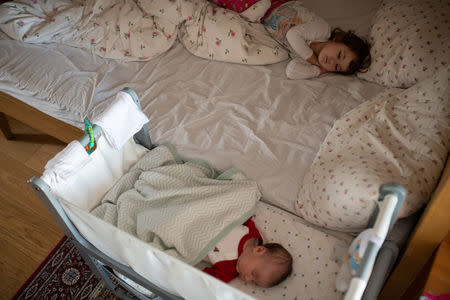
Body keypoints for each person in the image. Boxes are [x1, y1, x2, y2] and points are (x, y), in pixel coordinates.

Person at [263, 1, 371, 79]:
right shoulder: (322, 30)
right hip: (278, 3)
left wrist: (319, 70)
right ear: (338, 40)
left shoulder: (310, 62)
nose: (332, 62)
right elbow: (292, 34)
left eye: (337, 67)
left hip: (263, 15)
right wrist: (312, 59)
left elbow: (291, 71)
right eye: (339, 55)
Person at [203, 217, 293, 287]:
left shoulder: (228, 270)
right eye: (253, 273)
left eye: (253, 282)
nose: (247, 279)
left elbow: (203, 281)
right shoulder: (249, 231)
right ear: (259, 250)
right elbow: (241, 211)